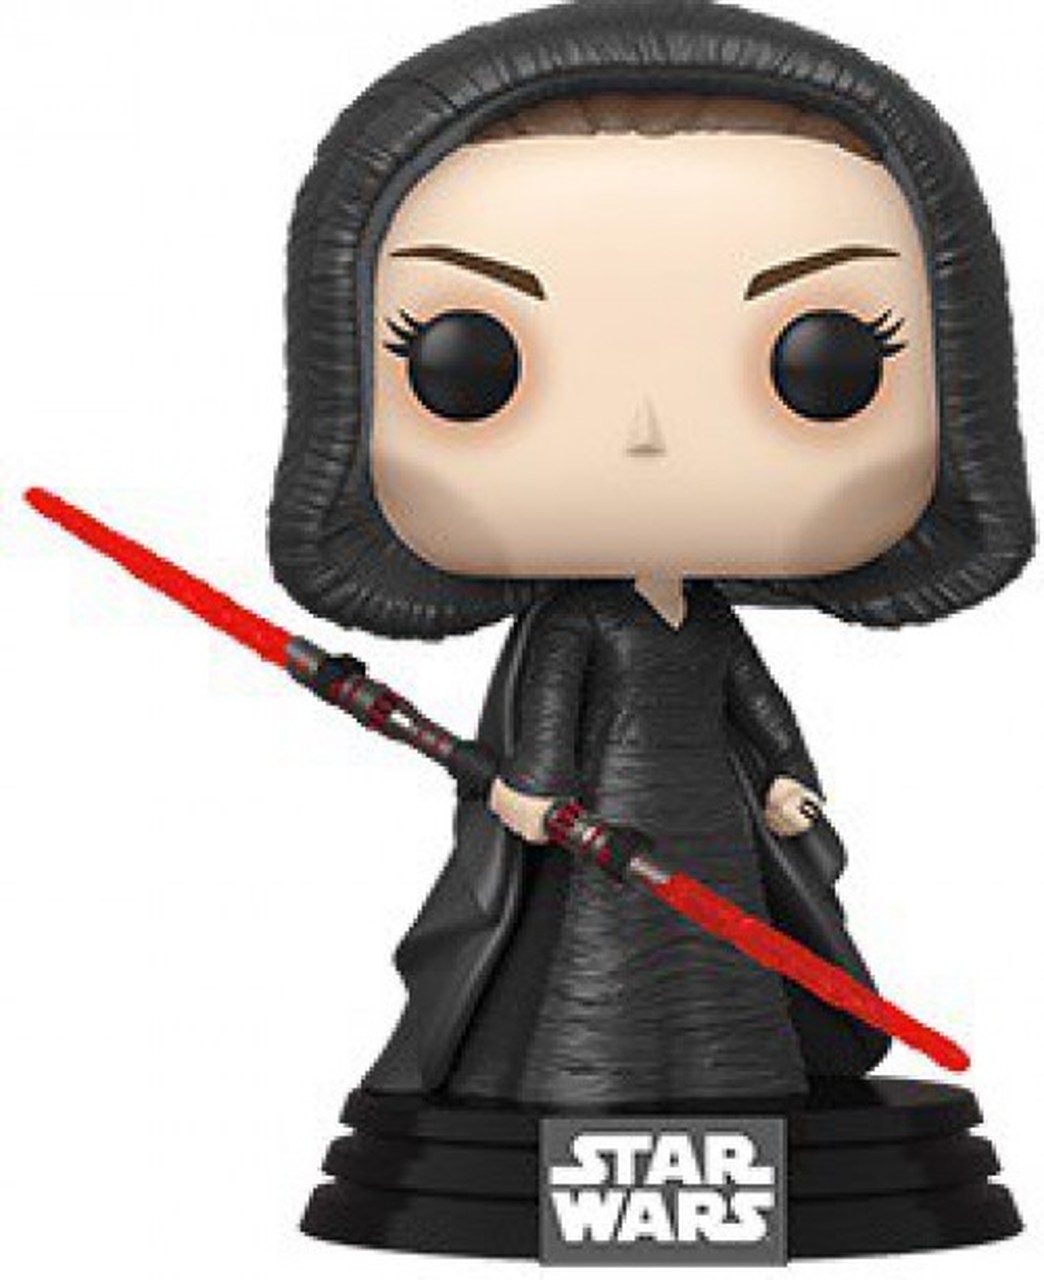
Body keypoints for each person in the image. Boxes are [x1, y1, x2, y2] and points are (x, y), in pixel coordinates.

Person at [269, 0, 1033, 1111]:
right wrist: (535, 789)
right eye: (468, 364)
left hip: (706, 816)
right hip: (605, 820)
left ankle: (737, 1074)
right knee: (598, 961)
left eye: (824, 363)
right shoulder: (578, 621)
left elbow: (751, 700)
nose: (645, 435)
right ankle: (589, 1080)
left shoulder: (700, 617)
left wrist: (785, 776)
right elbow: (547, 706)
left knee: (726, 966)